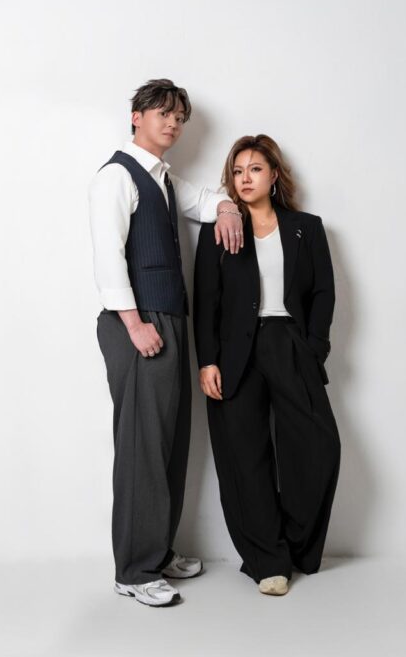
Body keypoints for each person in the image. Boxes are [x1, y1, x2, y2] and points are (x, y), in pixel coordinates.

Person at [89, 79, 244, 607]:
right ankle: (133, 570)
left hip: (170, 320)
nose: (174, 124)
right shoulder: (116, 176)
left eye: (180, 117)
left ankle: (156, 551)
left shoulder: (165, 178)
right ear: (137, 116)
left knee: (171, 442)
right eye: (164, 114)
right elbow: (108, 258)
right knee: (143, 447)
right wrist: (134, 325)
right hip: (138, 323)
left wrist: (228, 208)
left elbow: (209, 200)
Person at [193, 134, 340, 597]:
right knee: (245, 457)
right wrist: (207, 361)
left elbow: (323, 293)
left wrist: (314, 348)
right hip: (235, 352)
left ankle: (294, 548)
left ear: (274, 175)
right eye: (238, 171)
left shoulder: (306, 228)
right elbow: (206, 302)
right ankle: (267, 561)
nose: (245, 178)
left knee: (318, 448)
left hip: (289, 344)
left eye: (255, 169)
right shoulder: (218, 230)